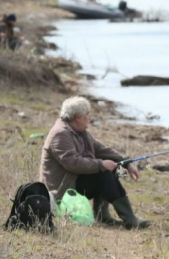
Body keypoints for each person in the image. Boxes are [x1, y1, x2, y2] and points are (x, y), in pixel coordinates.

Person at [40, 96, 150, 229]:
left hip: (74, 180)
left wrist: (126, 163)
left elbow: (102, 150)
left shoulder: (80, 132)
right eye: (87, 115)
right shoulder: (60, 134)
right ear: (78, 117)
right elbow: (73, 163)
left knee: (110, 170)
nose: (90, 118)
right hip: (63, 187)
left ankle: (103, 216)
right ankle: (130, 220)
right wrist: (101, 165)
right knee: (103, 174)